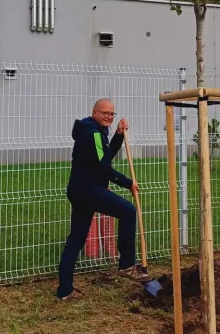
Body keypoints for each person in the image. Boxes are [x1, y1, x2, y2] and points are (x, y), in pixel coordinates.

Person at [56, 98, 151, 300]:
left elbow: (105, 156)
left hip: (79, 189)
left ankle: (64, 290)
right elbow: (105, 168)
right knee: (128, 211)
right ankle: (126, 265)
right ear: (95, 113)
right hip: (89, 190)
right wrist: (128, 183)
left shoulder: (94, 131)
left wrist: (118, 135)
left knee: (76, 239)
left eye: (111, 114)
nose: (109, 116)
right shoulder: (93, 134)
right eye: (105, 113)